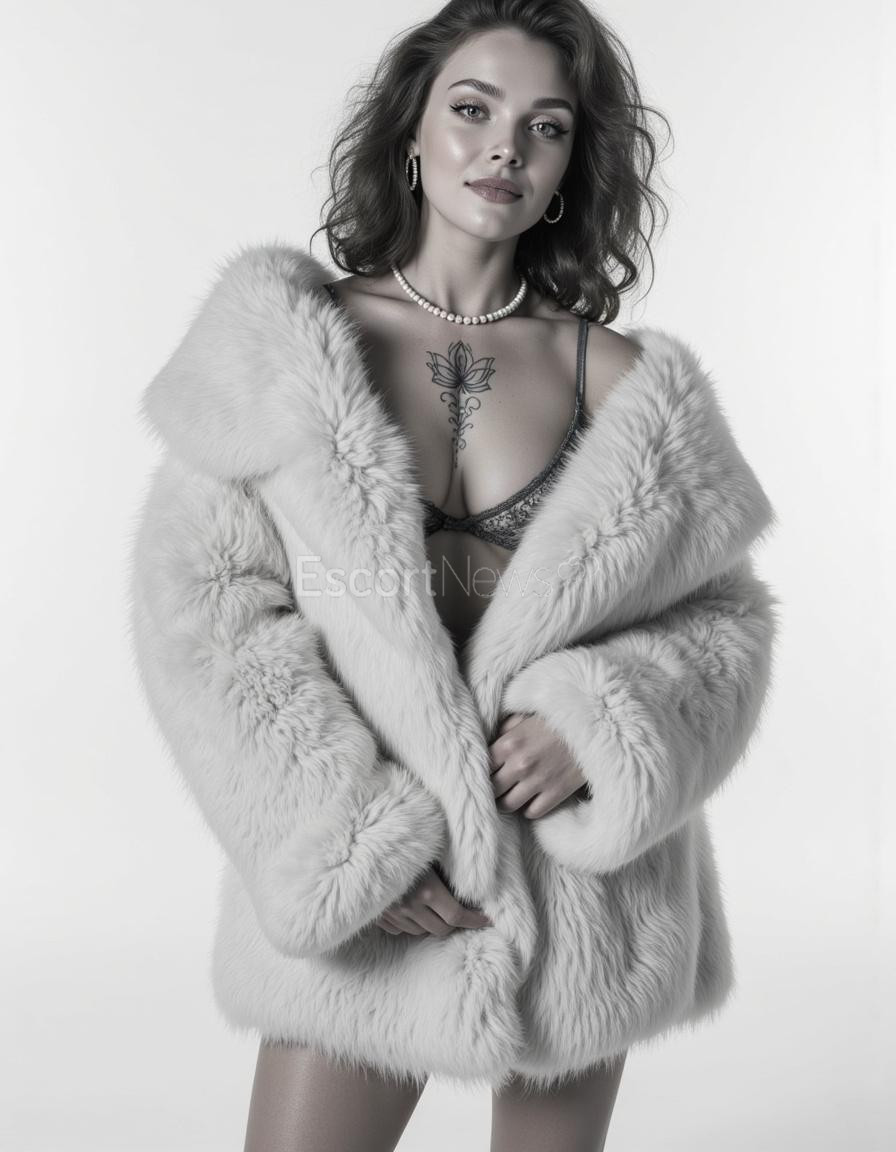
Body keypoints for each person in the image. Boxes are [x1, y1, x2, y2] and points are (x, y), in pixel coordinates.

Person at [128, 3, 779, 1150]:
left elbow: (724, 626)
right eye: (472, 110)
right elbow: (205, 616)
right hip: (383, 881)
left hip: (582, 892)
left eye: (545, 127)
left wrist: (600, 725)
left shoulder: (628, 383)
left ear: (572, 164)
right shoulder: (284, 350)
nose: (503, 149)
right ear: (411, 131)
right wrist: (349, 840)